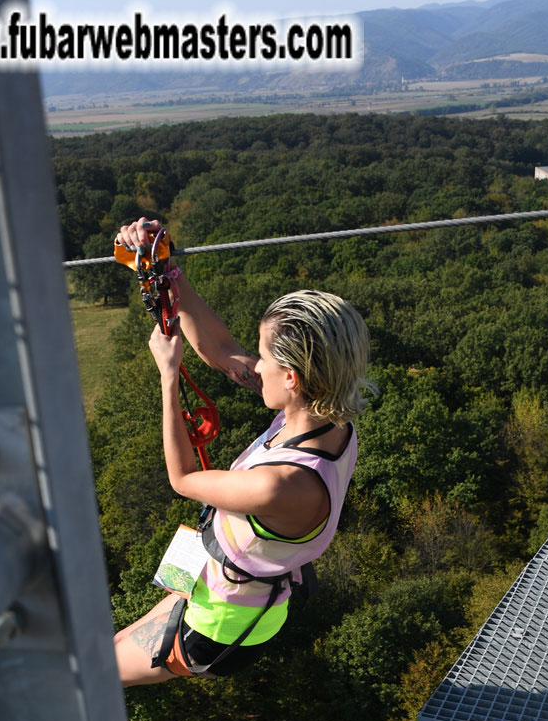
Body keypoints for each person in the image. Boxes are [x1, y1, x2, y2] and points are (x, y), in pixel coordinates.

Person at [112, 217, 372, 686]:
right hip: (216, 577)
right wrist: (170, 271)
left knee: (94, 669)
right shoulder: (322, 416)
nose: (255, 363)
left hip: (216, 628)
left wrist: (169, 378)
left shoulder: (283, 484)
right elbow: (219, 348)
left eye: (264, 357)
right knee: (104, 650)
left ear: (291, 377)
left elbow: (183, 480)